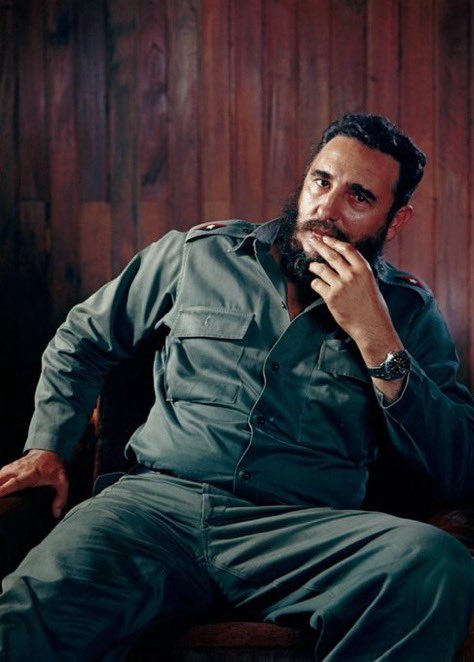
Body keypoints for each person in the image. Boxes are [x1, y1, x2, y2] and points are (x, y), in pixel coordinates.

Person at [0, 114, 472, 660]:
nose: (326, 208)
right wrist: (48, 445)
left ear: (394, 221)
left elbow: (456, 466)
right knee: (20, 620)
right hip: (151, 514)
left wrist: (377, 339)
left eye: (359, 196)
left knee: (434, 561)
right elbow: (84, 338)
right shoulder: (198, 254)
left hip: (301, 535)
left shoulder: (408, 311)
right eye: (321, 181)